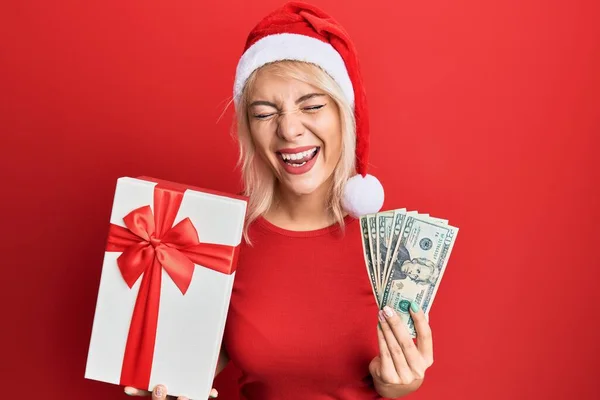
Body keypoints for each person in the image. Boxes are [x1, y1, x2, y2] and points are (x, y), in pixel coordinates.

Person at [124, 2, 434, 399]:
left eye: (313, 106)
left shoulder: (391, 248)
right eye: (264, 112)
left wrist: (399, 386)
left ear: (345, 114)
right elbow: (181, 365)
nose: (288, 129)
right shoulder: (217, 237)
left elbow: (394, 384)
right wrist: (164, 387)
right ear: (248, 130)